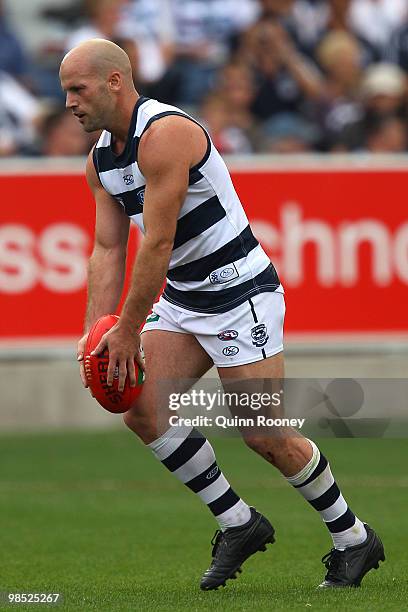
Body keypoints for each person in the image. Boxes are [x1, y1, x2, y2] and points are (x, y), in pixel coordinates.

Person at [59, 39, 385, 591]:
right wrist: (99, 331)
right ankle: (238, 522)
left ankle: (353, 536)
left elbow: (156, 244)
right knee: (142, 410)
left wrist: (129, 329)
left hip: (240, 294)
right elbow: (108, 250)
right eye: (65, 91)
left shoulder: (166, 135)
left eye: (77, 89)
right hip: (187, 297)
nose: (68, 102)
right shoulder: (100, 160)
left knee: (263, 435)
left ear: (115, 81)